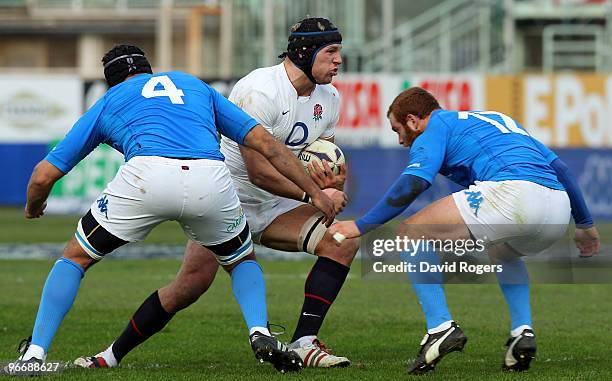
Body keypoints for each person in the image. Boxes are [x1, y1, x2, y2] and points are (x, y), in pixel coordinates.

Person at [4, 44, 339, 376]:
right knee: (240, 261)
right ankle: (260, 332)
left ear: (112, 81)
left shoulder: (110, 101)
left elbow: (44, 175)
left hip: (147, 176)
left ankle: (35, 354)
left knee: (76, 258)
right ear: (148, 69)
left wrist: (35, 206)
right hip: (210, 177)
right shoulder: (193, 85)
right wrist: (314, 194)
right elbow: (265, 144)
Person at [74, 17, 358, 370]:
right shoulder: (261, 89)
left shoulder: (329, 98)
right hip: (226, 201)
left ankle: (303, 342)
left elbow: (322, 163)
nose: (338, 61)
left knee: (342, 241)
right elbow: (259, 171)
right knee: (189, 286)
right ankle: (110, 356)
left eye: (339, 53)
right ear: (305, 51)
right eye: (331, 52)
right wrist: (314, 196)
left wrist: (332, 186)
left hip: (278, 206)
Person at [330, 87, 600, 374]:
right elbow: (562, 170)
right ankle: (522, 331)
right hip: (557, 208)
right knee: (502, 252)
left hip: (513, 193)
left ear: (413, 120)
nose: (400, 140)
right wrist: (584, 223)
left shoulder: (434, 127)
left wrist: (360, 225)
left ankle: (440, 327)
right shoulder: (493, 119)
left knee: (409, 233)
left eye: (398, 130)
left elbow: (414, 182)